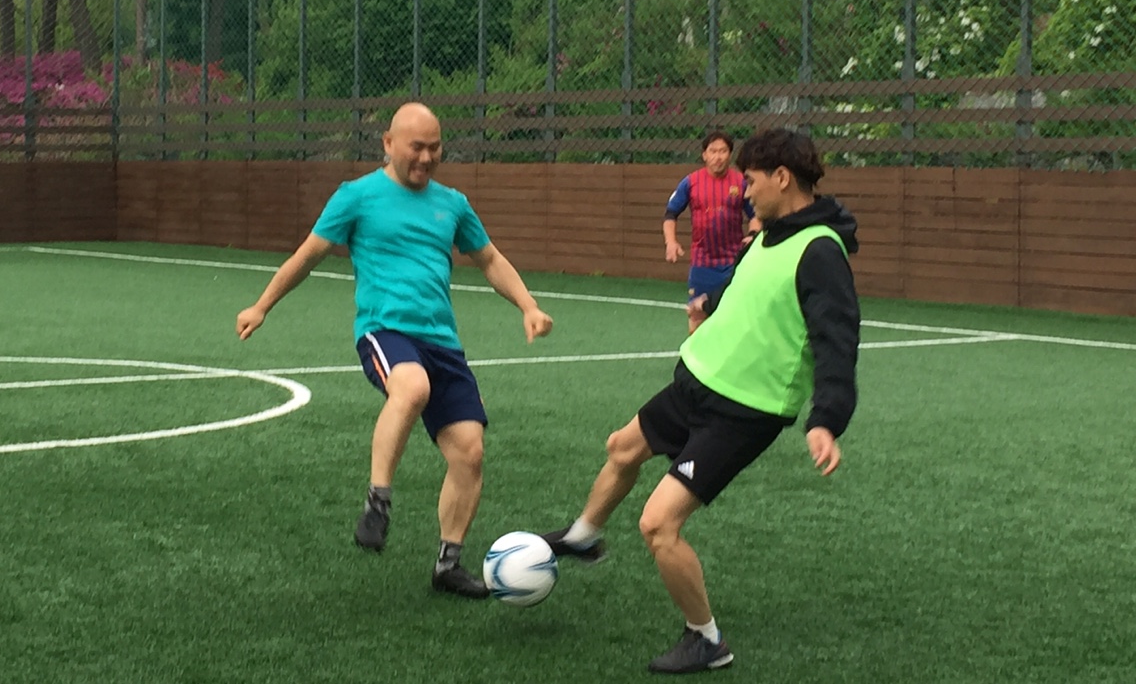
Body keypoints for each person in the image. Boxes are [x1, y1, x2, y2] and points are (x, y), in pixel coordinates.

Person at [543, 127, 860, 673]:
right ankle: (584, 536)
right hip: (697, 381)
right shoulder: (768, 235)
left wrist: (826, 418)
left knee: (657, 525)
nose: (745, 192)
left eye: (752, 181)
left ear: (783, 178)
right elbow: (744, 289)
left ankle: (706, 639)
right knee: (621, 448)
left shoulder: (820, 251)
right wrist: (706, 308)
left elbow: (838, 339)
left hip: (744, 410)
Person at [236, 102, 554, 599]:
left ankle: (448, 565)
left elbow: (490, 259)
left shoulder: (453, 204)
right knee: (411, 386)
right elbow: (308, 255)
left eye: (435, 148)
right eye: (416, 147)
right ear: (388, 143)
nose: (426, 158)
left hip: (442, 342)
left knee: (469, 452)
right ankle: (378, 502)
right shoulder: (357, 196)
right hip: (384, 331)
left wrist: (528, 306)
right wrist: (262, 306)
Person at [663, 130, 760, 304]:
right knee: (697, 314)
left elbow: (756, 215)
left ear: (730, 154)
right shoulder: (690, 182)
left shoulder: (741, 182)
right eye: (713, 151)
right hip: (702, 264)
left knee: (734, 311)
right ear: (704, 155)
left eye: (723, 151)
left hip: (733, 262)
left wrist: (753, 235)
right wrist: (671, 242)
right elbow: (671, 214)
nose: (718, 157)